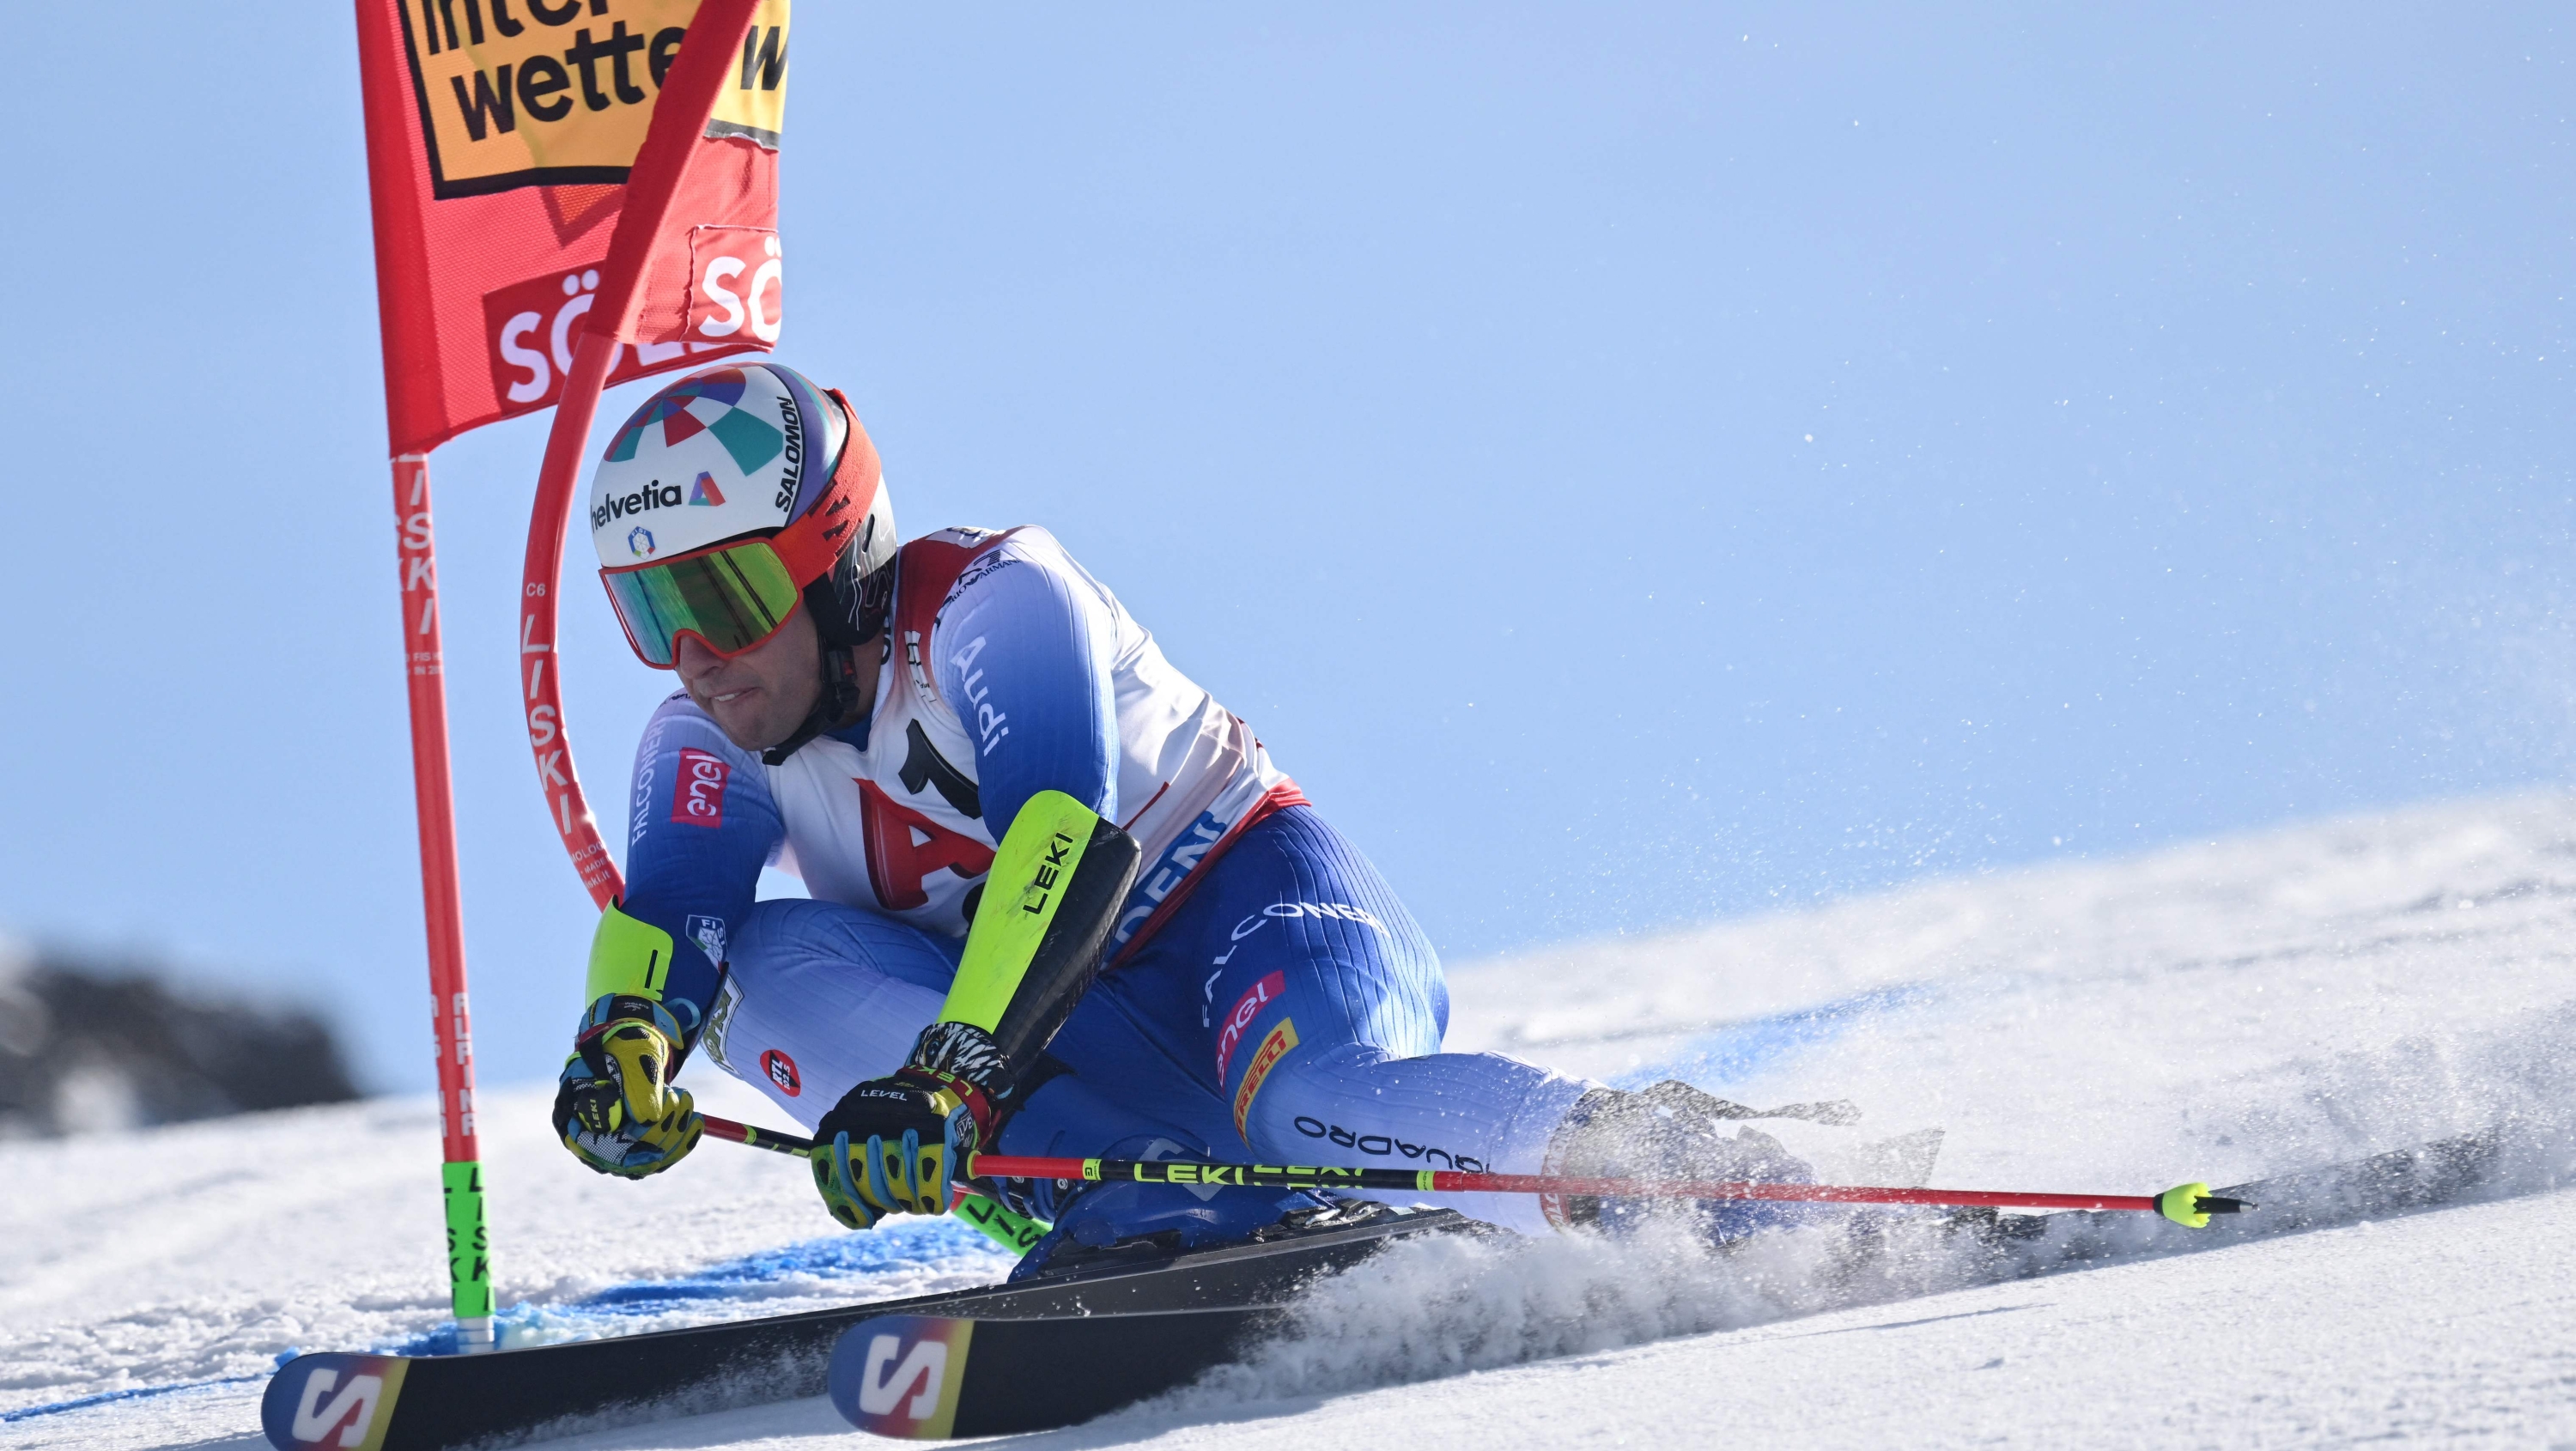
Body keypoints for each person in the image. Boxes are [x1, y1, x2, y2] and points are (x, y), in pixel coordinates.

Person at [552, 361, 1831, 1272]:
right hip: (1079, 1054)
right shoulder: (699, 741)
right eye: (651, 617)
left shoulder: (996, 599)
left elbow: (1067, 839)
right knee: (751, 972)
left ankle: (1683, 1166)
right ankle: (1143, 1208)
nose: (697, 658)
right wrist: (624, 1050)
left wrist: (945, 1079)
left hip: (1246, 921)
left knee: (1307, 1105)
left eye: (721, 598)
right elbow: (674, 918)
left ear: (833, 556)